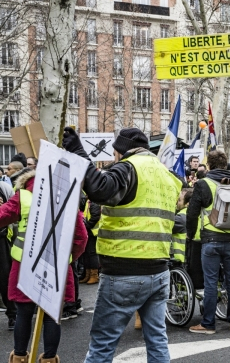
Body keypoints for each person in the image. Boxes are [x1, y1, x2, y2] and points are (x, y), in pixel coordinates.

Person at [62, 127, 182, 363]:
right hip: (159, 270)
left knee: (102, 345)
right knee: (157, 340)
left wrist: (78, 151)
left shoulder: (129, 167)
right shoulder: (167, 174)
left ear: (119, 151)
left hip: (123, 270)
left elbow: (100, 190)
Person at [1, 166, 87, 363]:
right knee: (50, 315)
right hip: (55, 267)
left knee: (23, 312)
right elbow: (81, 237)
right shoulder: (67, 199)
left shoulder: (22, 197)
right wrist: (69, 257)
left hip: (24, 266)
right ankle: (49, 359)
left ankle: (20, 357)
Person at [186, 150, 230, 334]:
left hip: (210, 239)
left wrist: (190, 234)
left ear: (209, 165)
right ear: (225, 164)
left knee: (210, 282)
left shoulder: (204, 184)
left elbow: (192, 213)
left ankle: (208, 324)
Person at [0, 179, 15, 331]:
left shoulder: (4, 188)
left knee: (5, 279)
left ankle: (13, 315)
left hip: (2, 238)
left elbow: (13, 211)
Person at [78, 197, 101, 285]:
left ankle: (94, 275)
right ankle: (87, 274)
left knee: (92, 253)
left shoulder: (94, 202)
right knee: (86, 253)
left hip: (92, 232)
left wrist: (86, 226)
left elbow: (95, 217)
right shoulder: (89, 201)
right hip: (89, 231)